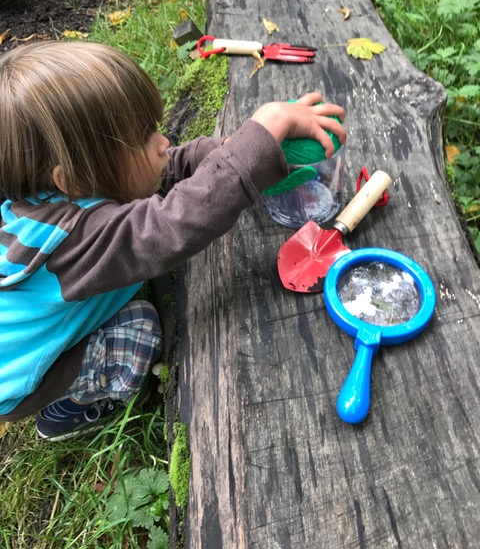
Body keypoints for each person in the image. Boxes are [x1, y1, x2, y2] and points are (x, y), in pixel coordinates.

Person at [0, 41, 346, 441]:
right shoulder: (71, 243)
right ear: (73, 179)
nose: (164, 142)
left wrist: (234, 152)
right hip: (19, 381)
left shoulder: (58, 196)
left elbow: (160, 174)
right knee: (141, 329)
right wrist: (264, 127)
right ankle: (70, 408)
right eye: (145, 137)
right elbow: (172, 227)